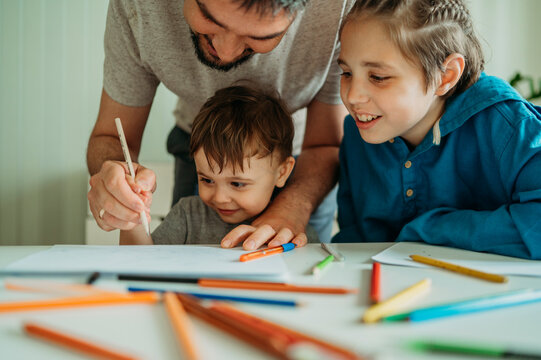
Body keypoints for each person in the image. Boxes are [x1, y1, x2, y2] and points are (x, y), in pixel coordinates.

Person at [87, 0, 354, 249]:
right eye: (209, 17)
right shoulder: (189, 216)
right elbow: (111, 134)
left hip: (306, 157)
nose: (226, 54)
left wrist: (294, 206)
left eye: (259, 37)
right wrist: (124, 202)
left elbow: (325, 143)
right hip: (199, 135)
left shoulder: (340, 8)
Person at [332, 0, 541, 259]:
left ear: (446, 76)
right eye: (346, 73)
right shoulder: (359, 130)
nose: (352, 97)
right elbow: (355, 244)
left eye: (378, 77)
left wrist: (433, 231)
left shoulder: (509, 126)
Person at [120, 85, 318, 246]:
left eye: (237, 184)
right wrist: (133, 221)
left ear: (282, 172)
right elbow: (144, 265)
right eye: (207, 179)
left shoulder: (291, 228)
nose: (220, 198)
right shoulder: (187, 216)